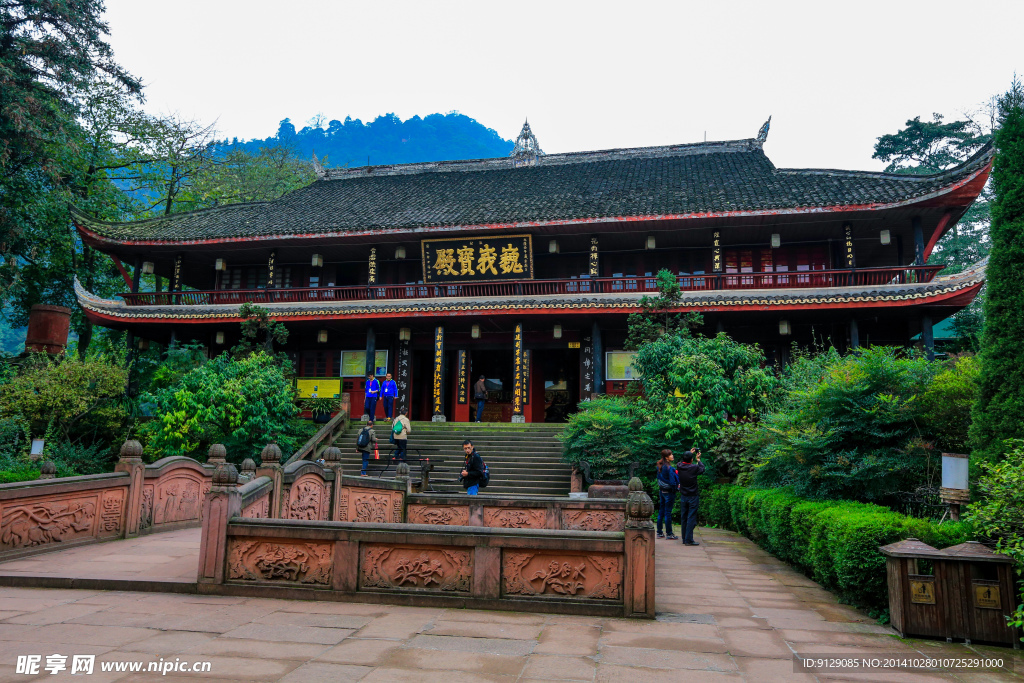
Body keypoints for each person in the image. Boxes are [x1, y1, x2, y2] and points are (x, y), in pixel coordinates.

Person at [676, 447, 706, 546]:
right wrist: (698, 460)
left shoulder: (679, 466)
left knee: (684, 517)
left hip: (683, 495)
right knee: (691, 517)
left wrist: (689, 453)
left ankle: (685, 538)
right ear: (691, 460)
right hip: (693, 496)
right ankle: (689, 540)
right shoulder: (694, 468)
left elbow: (682, 462)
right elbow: (702, 469)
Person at [655, 449, 679, 540]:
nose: (672, 456)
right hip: (669, 492)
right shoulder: (669, 468)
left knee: (661, 511)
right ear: (666, 457)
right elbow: (672, 482)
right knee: (668, 512)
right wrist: (676, 488)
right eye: (670, 454)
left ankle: (659, 532)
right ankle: (669, 533)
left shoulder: (660, 466)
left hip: (662, 491)